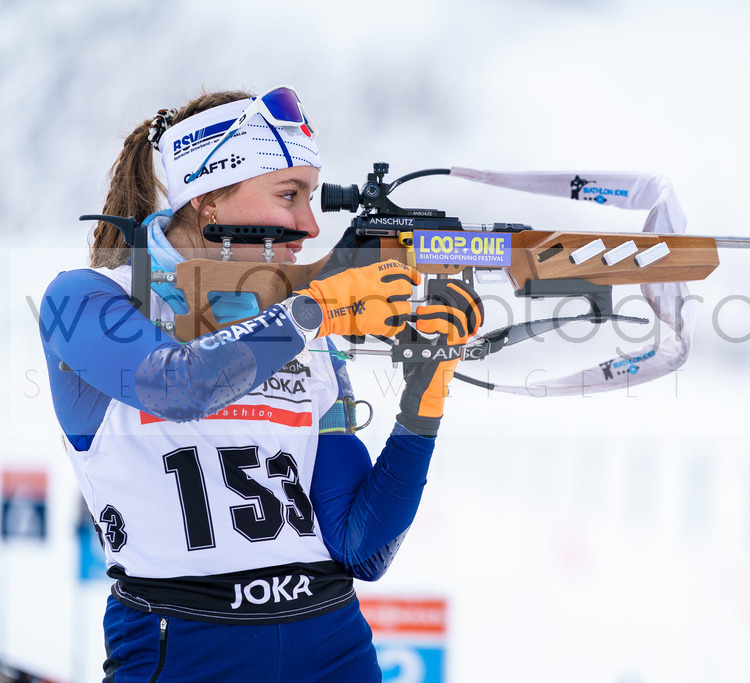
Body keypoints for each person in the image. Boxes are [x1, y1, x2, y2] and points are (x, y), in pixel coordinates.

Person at [38, 86, 482, 682]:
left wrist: (425, 396)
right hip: (184, 644)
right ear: (211, 198)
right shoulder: (90, 298)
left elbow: (361, 547)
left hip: (332, 643)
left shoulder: (303, 324)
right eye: (289, 195)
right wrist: (312, 310)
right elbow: (176, 387)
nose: (309, 223)